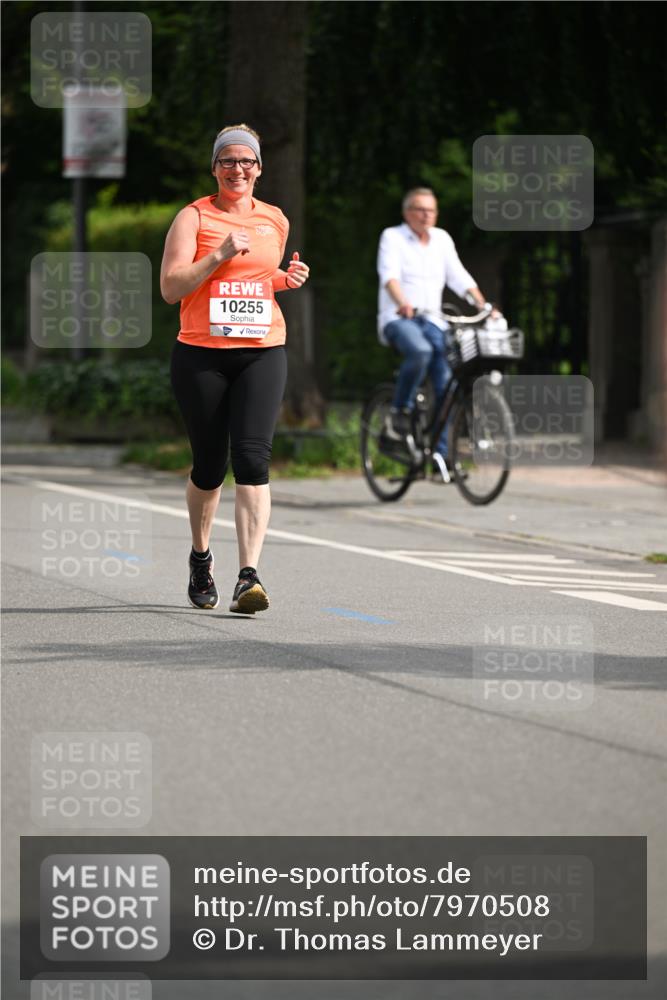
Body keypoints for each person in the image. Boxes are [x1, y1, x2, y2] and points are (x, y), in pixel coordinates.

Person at [160, 124, 309, 613]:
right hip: (201, 354)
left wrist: (286, 281)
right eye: (228, 161)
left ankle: (249, 576)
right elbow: (171, 288)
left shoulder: (275, 220)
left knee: (253, 459)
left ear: (259, 169)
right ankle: (201, 559)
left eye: (247, 162)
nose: (238, 169)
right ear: (215, 168)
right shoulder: (193, 217)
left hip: (263, 349)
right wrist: (219, 254)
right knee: (209, 466)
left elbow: (260, 280)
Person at [376, 187, 498, 480]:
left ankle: (442, 458)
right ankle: (399, 415)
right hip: (399, 318)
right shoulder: (392, 237)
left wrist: (483, 306)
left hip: (434, 321)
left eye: (431, 210)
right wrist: (403, 302)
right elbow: (389, 276)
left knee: (448, 383)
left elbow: (458, 276)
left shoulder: (442, 239)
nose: (426, 215)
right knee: (420, 352)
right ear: (407, 213)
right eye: (420, 209)